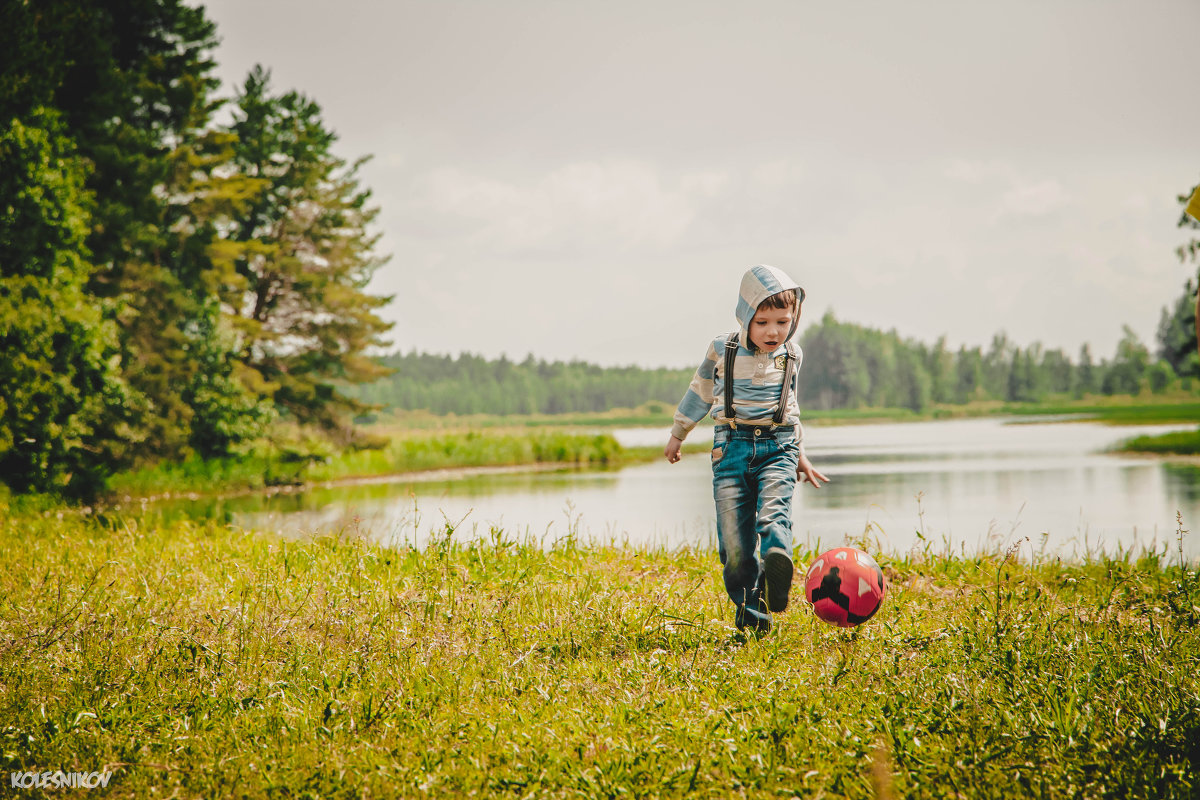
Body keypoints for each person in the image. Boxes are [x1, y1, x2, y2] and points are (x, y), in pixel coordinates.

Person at [664, 264, 828, 635]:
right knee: (735, 550)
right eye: (763, 321)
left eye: (783, 322)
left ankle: (776, 569)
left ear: (794, 319)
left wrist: (800, 454)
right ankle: (753, 614)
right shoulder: (723, 349)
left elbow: (790, 406)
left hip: (779, 447)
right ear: (746, 316)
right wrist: (679, 432)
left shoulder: (792, 355)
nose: (774, 331)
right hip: (731, 449)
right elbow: (701, 390)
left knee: (773, 515)